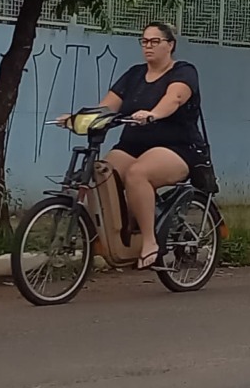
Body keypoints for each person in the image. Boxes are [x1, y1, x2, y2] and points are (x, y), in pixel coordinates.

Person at [63, 22, 205, 269]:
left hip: (176, 148)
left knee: (137, 174)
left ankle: (150, 242)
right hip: (133, 146)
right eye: (144, 41)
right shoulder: (134, 75)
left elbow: (174, 99)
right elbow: (105, 107)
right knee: (101, 172)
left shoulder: (183, 72)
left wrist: (153, 114)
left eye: (154, 41)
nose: (148, 46)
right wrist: (75, 119)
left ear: (170, 45)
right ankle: (121, 235)